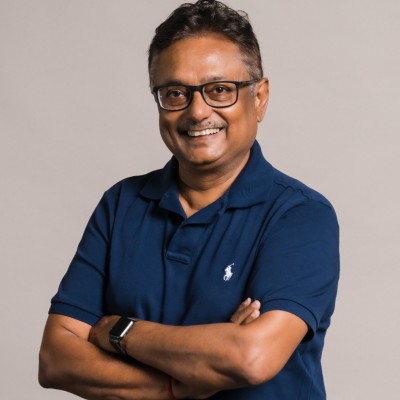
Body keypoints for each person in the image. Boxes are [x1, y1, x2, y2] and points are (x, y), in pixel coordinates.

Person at [39, 1, 340, 399]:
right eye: (175, 93)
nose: (197, 112)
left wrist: (118, 331)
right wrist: (178, 388)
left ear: (260, 98)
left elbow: (251, 357)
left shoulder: (300, 215)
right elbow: (55, 359)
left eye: (220, 90)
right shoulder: (121, 204)